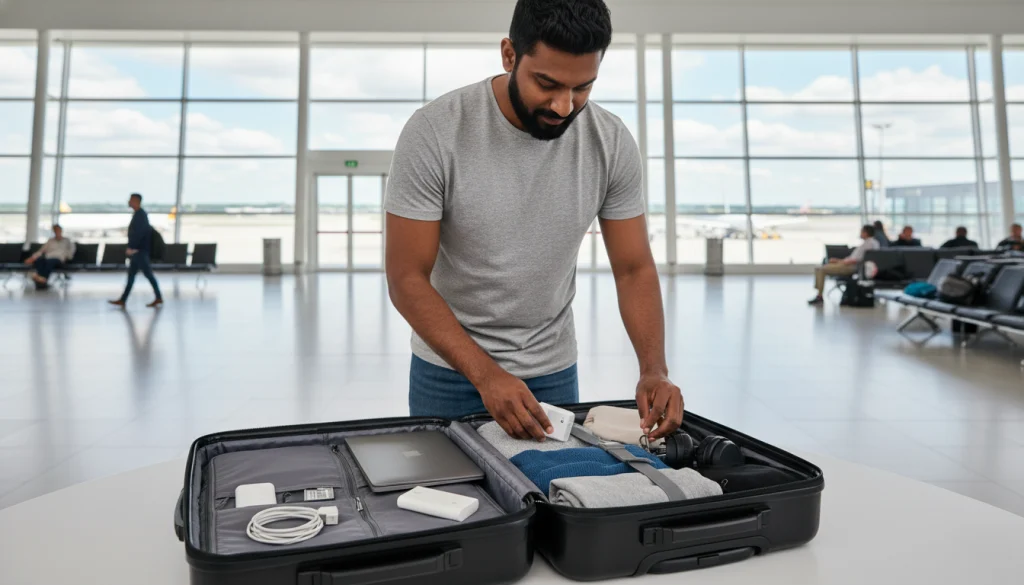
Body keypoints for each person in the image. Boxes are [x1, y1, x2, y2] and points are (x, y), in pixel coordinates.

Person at [384, 0, 682, 442]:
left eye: (583, 87)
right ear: (509, 55)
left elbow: (633, 267)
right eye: (547, 83)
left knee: (556, 501)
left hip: (553, 372)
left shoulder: (611, 141)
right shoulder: (435, 131)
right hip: (448, 372)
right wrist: (486, 376)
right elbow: (407, 276)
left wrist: (653, 369)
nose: (564, 106)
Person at [109, 193, 163, 308]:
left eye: (131, 200)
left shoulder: (140, 215)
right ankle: (123, 299)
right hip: (138, 251)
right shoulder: (139, 214)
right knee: (132, 275)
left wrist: (132, 248)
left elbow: (139, 234)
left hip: (140, 252)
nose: (129, 201)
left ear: (136, 201)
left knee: (147, 275)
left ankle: (158, 297)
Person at [808, 225, 880, 306]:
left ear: (865, 233)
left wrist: (840, 261)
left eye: (861, 231)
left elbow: (857, 260)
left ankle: (819, 296)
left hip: (851, 266)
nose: (860, 233)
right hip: (849, 264)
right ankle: (819, 294)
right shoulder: (871, 243)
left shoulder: (869, 244)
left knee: (820, 269)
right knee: (820, 268)